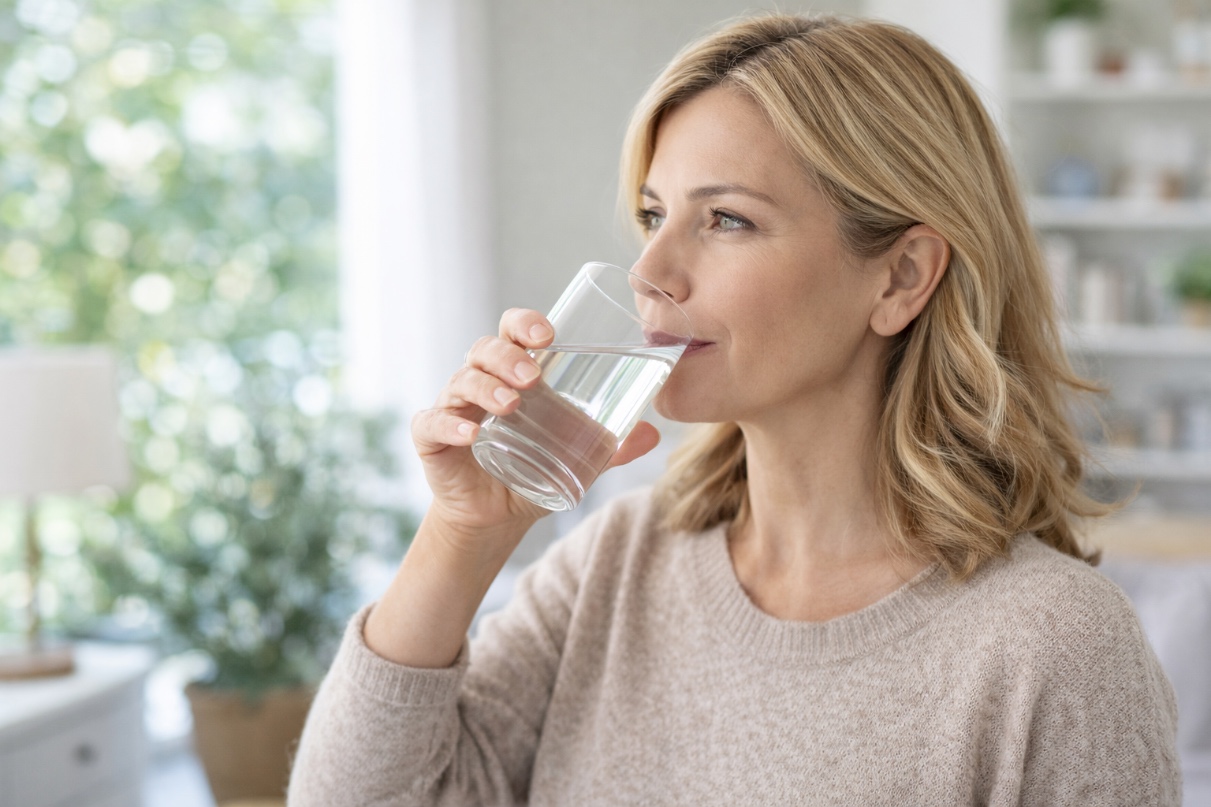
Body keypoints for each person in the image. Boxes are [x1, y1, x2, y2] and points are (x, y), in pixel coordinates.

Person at [288, 13, 1180, 806]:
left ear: (900, 277)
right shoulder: (615, 563)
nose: (649, 273)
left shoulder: (1052, 645)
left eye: (725, 220)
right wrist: (463, 532)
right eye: (653, 215)